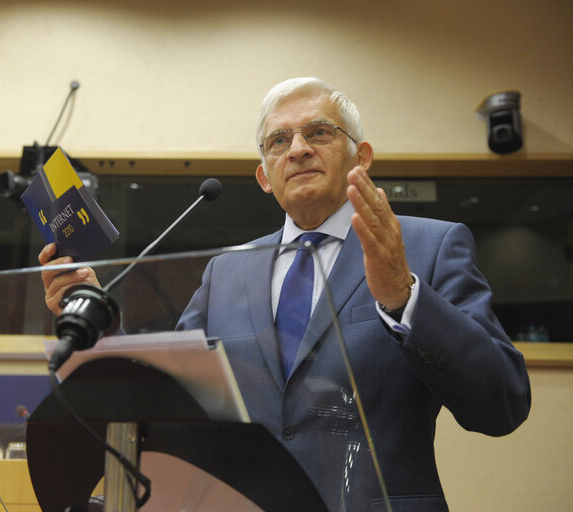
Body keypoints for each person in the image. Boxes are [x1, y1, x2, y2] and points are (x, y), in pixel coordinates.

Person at [39, 77, 531, 511]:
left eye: (318, 132)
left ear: (361, 156)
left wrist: (404, 296)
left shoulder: (429, 246)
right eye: (279, 140)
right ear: (264, 178)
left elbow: (501, 405)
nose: (297, 148)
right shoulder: (226, 272)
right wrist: (99, 326)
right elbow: (173, 403)